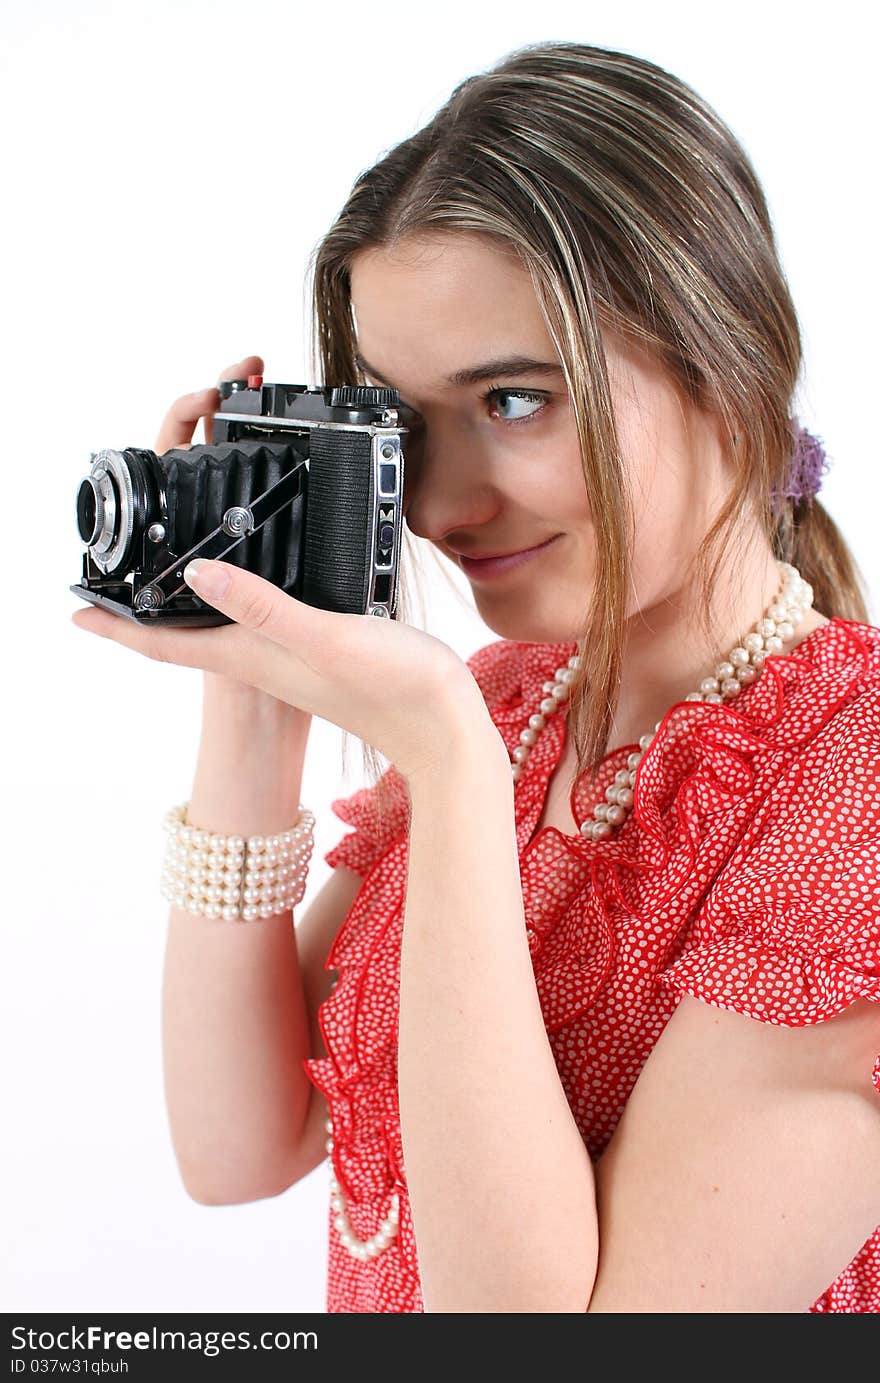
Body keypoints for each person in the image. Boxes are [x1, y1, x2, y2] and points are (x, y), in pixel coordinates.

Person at [71, 41, 880, 1313]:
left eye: (511, 402)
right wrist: (253, 697)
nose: (440, 506)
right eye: (403, 422)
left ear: (727, 370)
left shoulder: (852, 794)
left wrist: (450, 770)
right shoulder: (512, 700)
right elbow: (238, 1150)